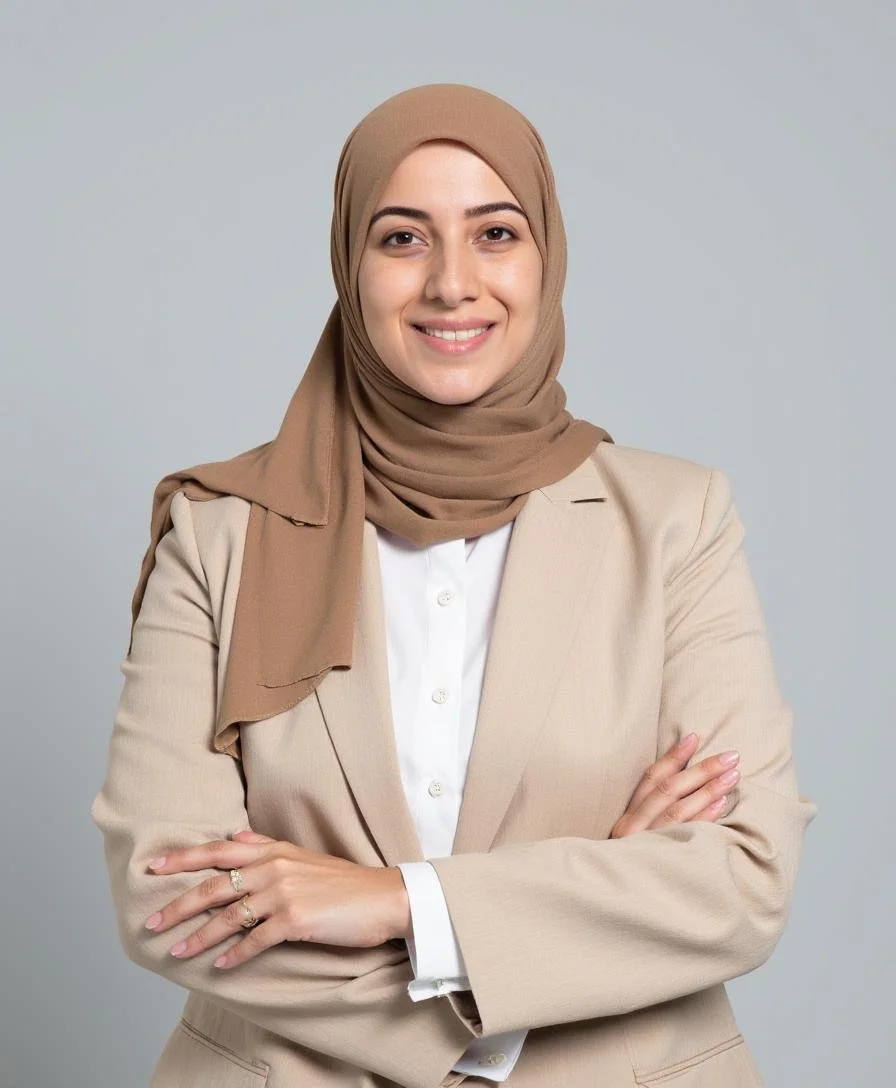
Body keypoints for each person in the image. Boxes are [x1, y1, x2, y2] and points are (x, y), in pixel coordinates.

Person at [91, 83, 816, 1088]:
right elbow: (168, 900)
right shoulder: (218, 529)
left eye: (494, 233)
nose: (450, 283)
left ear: (544, 255)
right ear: (349, 259)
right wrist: (576, 915)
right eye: (401, 238)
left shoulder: (675, 521)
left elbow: (739, 879)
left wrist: (400, 901)